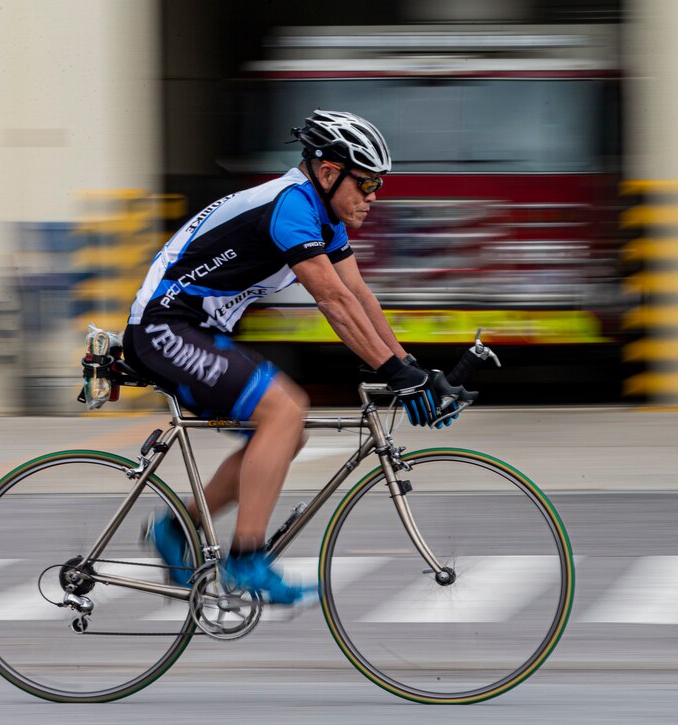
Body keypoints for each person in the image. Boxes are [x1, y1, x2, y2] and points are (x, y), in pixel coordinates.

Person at [123, 109, 455, 604]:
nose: (372, 197)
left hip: (196, 328)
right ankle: (245, 560)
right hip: (163, 327)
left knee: (284, 431)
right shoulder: (290, 206)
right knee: (285, 408)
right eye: (365, 184)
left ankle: (179, 528)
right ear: (328, 173)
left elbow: (360, 296)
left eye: (377, 186)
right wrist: (395, 373)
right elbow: (332, 303)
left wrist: (411, 369)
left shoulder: (323, 215)